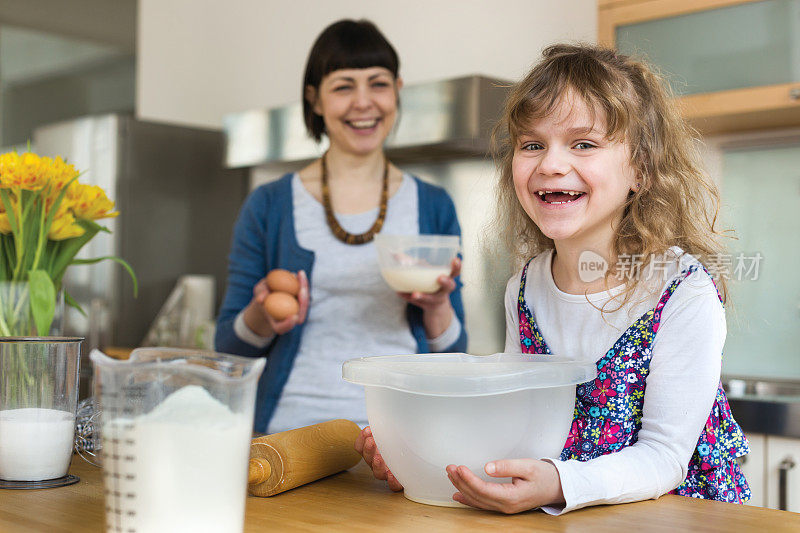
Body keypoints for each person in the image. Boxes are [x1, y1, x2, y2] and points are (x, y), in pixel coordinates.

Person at [356, 43, 750, 513]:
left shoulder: (683, 290)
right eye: (532, 144)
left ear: (641, 170)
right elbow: (513, 426)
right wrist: (417, 454)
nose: (550, 164)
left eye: (583, 144)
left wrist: (558, 483)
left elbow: (665, 457)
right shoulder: (523, 289)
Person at [215, 19, 466, 435]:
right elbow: (228, 348)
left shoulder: (434, 205)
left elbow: (454, 351)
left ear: (397, 91)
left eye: (378, 84)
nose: (363, 102)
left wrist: (437, 306)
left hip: (402, 434)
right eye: (344, 86)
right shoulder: (269, 205)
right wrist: (263, 313)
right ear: (315, 100)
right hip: (290, 434)